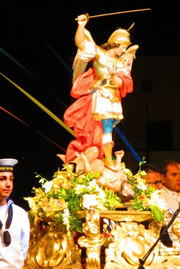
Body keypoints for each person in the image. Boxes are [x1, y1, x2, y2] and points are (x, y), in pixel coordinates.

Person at [64, 13, 138, 169]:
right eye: (122, 46)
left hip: (113, 97)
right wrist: (81, 26)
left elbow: (121, 82)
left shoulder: (120, 63)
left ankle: (106, 158)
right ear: (115, 43)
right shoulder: (99, 54)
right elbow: (81, 43)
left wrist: (113, 75)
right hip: (99, 96)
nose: (124, 50)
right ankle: (104, 159)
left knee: (107, 128)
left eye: (126, 48)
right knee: (99, 128)